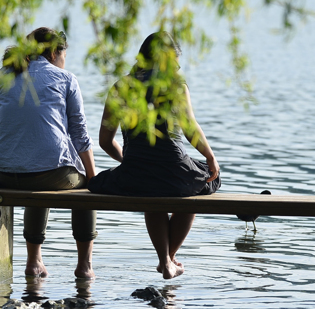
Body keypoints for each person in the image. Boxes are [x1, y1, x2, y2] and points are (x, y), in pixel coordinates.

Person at [88, 32, 220, 279]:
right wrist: (210, 158)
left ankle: (165, 260)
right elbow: (190, 128)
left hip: (137, 175)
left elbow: (105, 141)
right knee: (202, 183)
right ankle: (168, 259)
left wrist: (129, 162)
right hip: (175, 171)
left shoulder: (121, 87)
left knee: (149, 186)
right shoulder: (176, 87)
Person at [0, 27, 97, 279]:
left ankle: (34, 262)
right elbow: (79, 133)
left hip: (4, 172)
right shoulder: (66, 79)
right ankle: (84, 267)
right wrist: (93, 176)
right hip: (49, 175)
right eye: (64, 56)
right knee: (84, 187)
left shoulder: (4, 75)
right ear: (54, 53)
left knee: (38, 167)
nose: (64, 62)